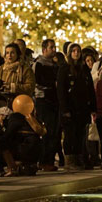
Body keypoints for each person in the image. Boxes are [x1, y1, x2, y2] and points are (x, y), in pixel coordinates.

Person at [57, 43, 97, 170]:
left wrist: (93, 107)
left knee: (80, 135)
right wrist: (64, 109)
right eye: (73, 51)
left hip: (82, 108)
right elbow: (61, 91)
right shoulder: (64, 69)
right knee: (70, 135)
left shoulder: (84, 69)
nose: (76, 53)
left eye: (78, 51)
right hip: (70, 108)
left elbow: (90, 88)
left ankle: (79, 158)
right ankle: (70, 159)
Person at [33, 39, 61, 171]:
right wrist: (52, 85)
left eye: (54, 47)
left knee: (55, 132)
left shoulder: (55, 65)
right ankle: (44, 160)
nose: (54, 50)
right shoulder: (39, 64)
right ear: (44, 49)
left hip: (54, 100)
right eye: (51, 47)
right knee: (46, 130)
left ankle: (49, 159)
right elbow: (38, 81)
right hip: (44, 100)